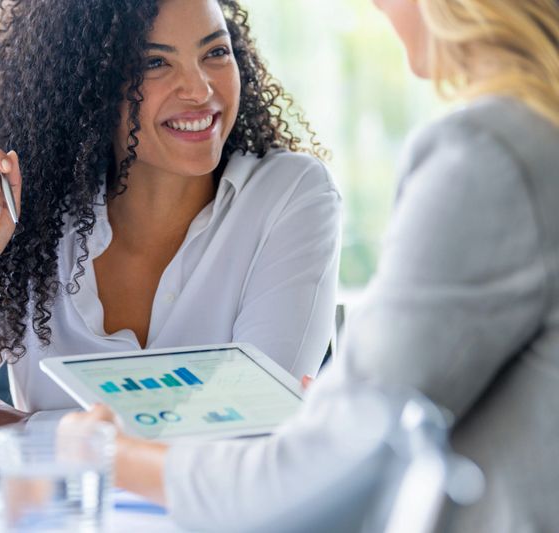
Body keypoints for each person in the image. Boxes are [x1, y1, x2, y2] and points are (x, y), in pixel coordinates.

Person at [61, 0, 559, 530]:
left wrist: (108, 450)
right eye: (154, 62)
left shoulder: (492, 156)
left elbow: (325, 464)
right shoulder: (534, 136)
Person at [0, 0, 341, 454]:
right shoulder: (29, 219)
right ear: (89, 84)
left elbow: (257, 429)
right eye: (155, 62)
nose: (200, 90)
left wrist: (25, 436)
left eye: (215, 52)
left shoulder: (290, 194)